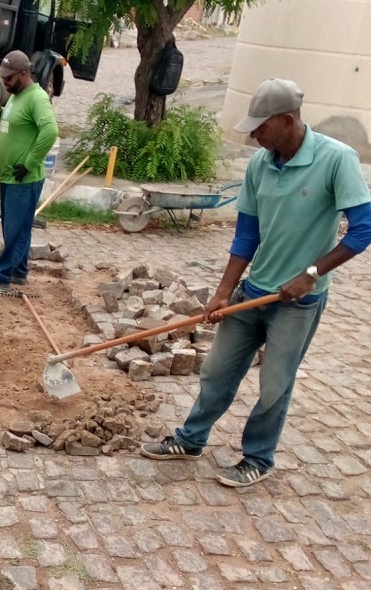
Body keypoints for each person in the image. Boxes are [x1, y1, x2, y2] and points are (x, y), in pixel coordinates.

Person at [141, 78, 371, 487]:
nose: (254, 134)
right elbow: (247, 235)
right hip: (255, 290)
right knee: (216, 371)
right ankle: (191, 439)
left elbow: (362, 231)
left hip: (298, 303)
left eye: (261, 127)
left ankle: (258, 459)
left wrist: (311, 274)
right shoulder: (259, 164)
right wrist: (223, 290)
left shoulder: (337, 159)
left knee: (273, 386)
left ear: (287, 119)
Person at [0, 50, 58, 295]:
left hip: (23, 177)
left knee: (14, 230)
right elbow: (18, 124)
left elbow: (50, 131)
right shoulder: (16, 94)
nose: (4, 81)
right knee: (17, 226)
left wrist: (29, 162)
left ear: (24, 74)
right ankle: (19, 273)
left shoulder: (37, 97)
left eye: (9, 77)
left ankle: (1, 279)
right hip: (9, 176)